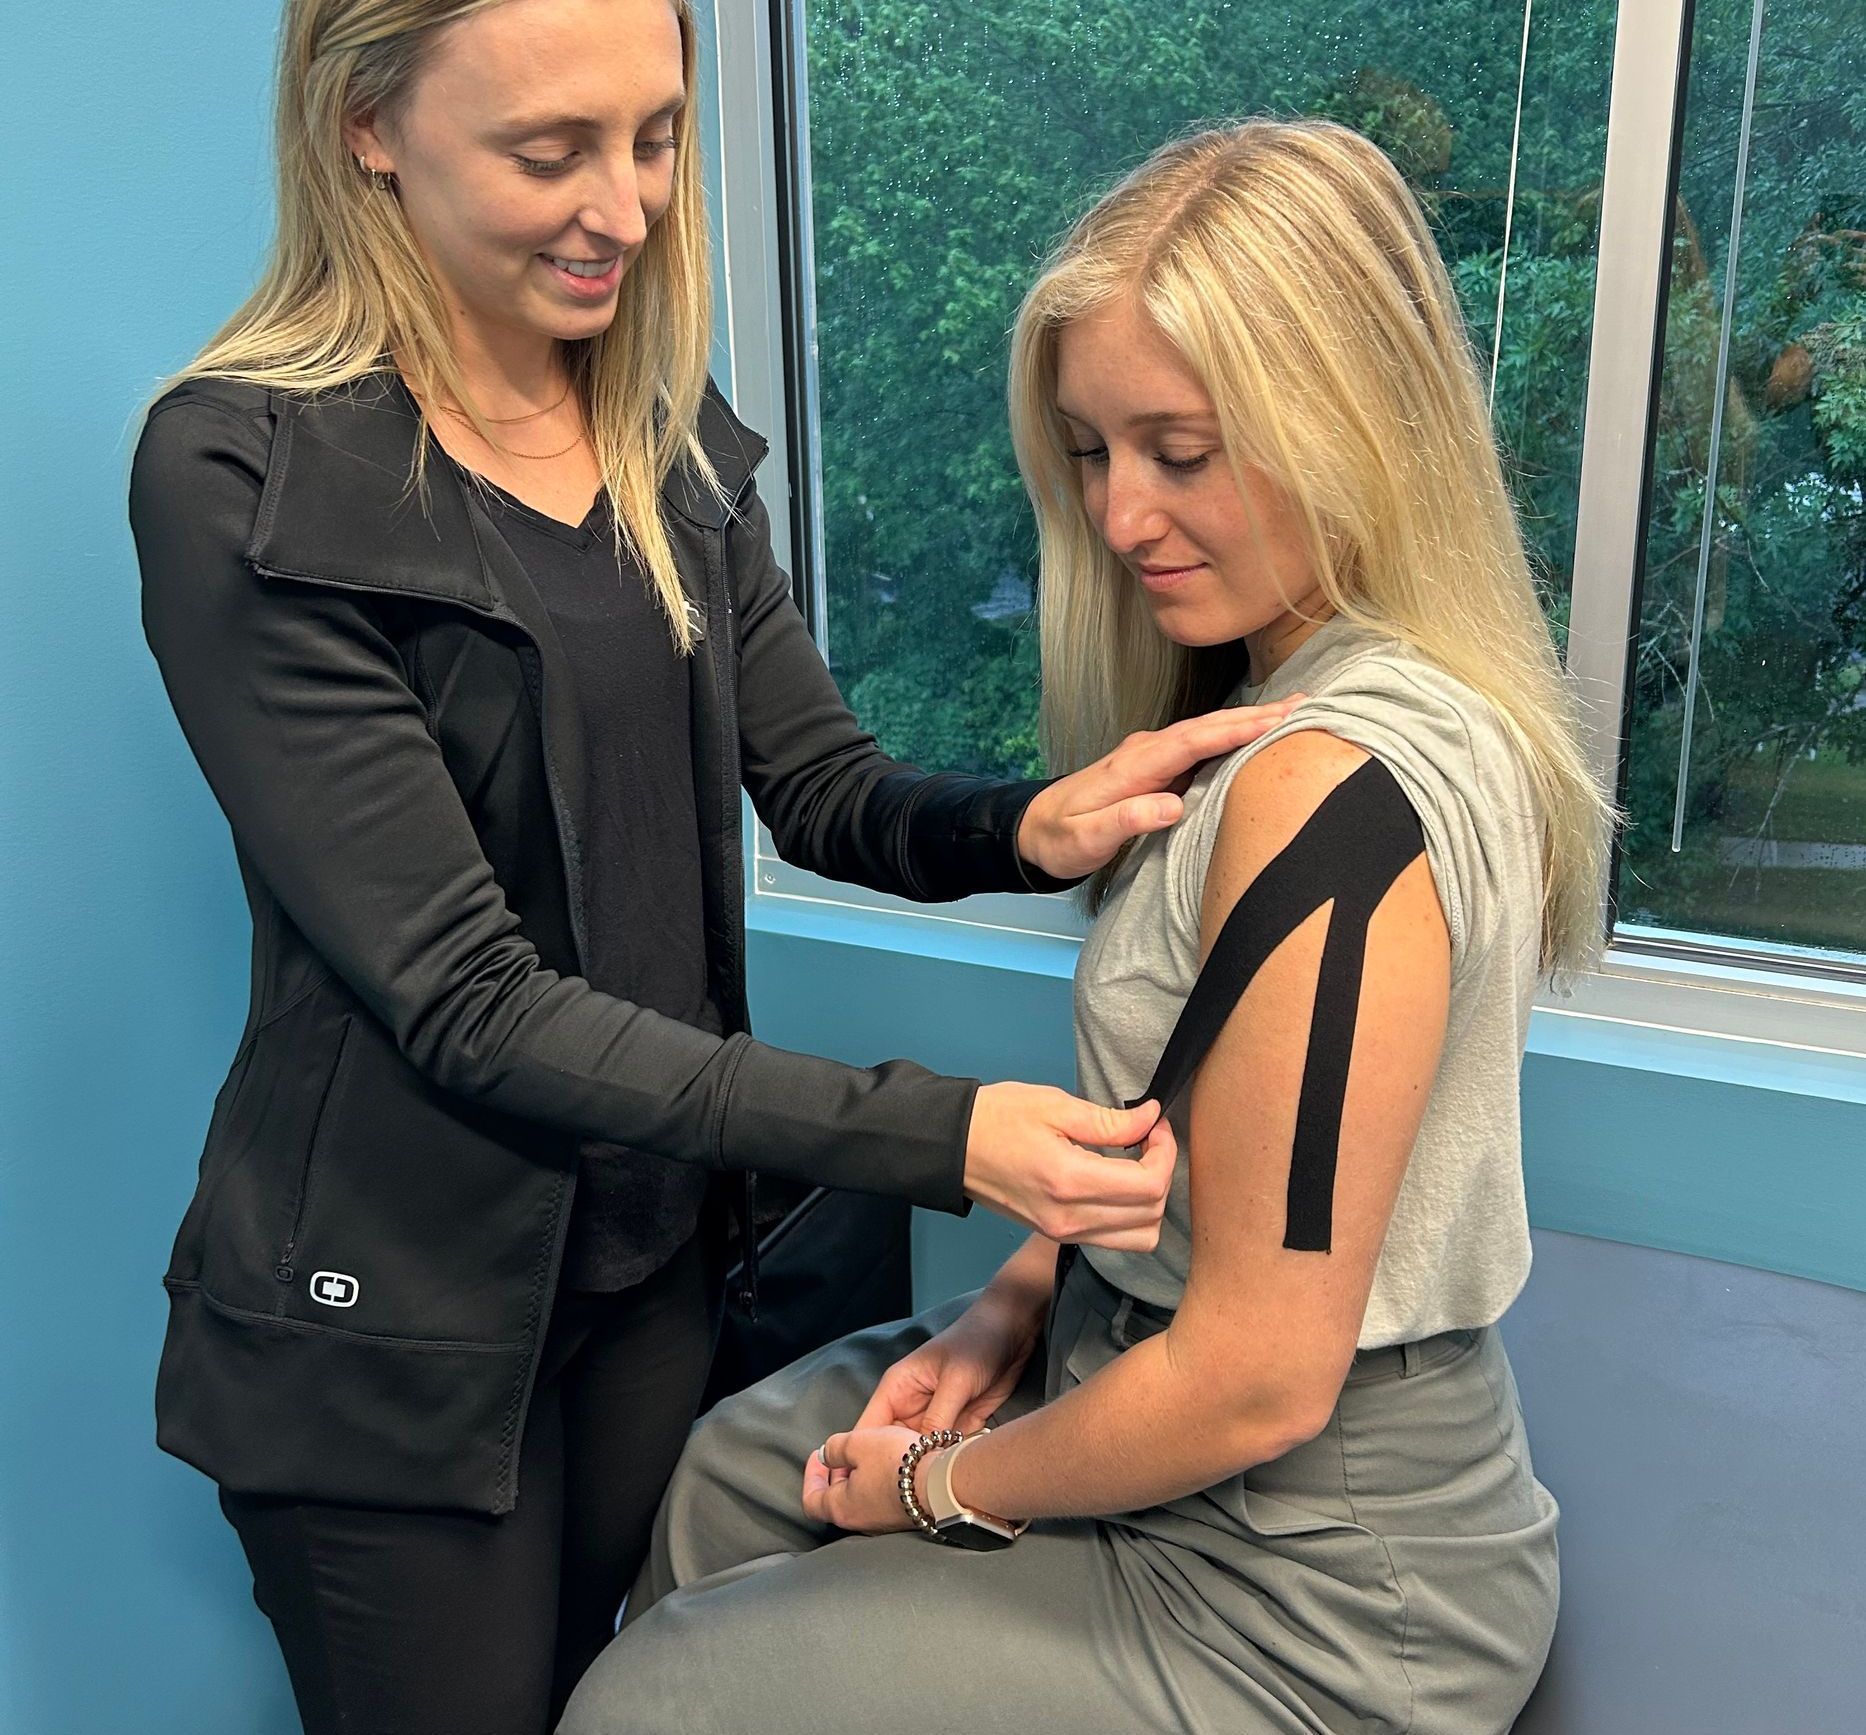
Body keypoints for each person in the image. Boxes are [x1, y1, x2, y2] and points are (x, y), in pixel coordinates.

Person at [124, 3, 1302, 1731]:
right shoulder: (243, 470)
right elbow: (467, 999)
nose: (626, 204)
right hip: (391, 1322)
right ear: (366, 126)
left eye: (656, 137)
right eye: (551, 152)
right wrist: (949, 1138)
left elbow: (818, 785)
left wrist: (1026, 823)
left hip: (650, 1278)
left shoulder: (664, 437)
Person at [560, 117, 1615, 1735]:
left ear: (1354, 424)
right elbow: (1184, 1124)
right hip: (1137, 1367)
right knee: (729, 1476)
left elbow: (1260, 1374)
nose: (1121, 518)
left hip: (1307, 1571)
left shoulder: (1329, 784)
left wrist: (932, 1487)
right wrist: (1014, 1303)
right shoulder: (1246, 707)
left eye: (1179, 453)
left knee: (653, 1704)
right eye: (1089, 451)